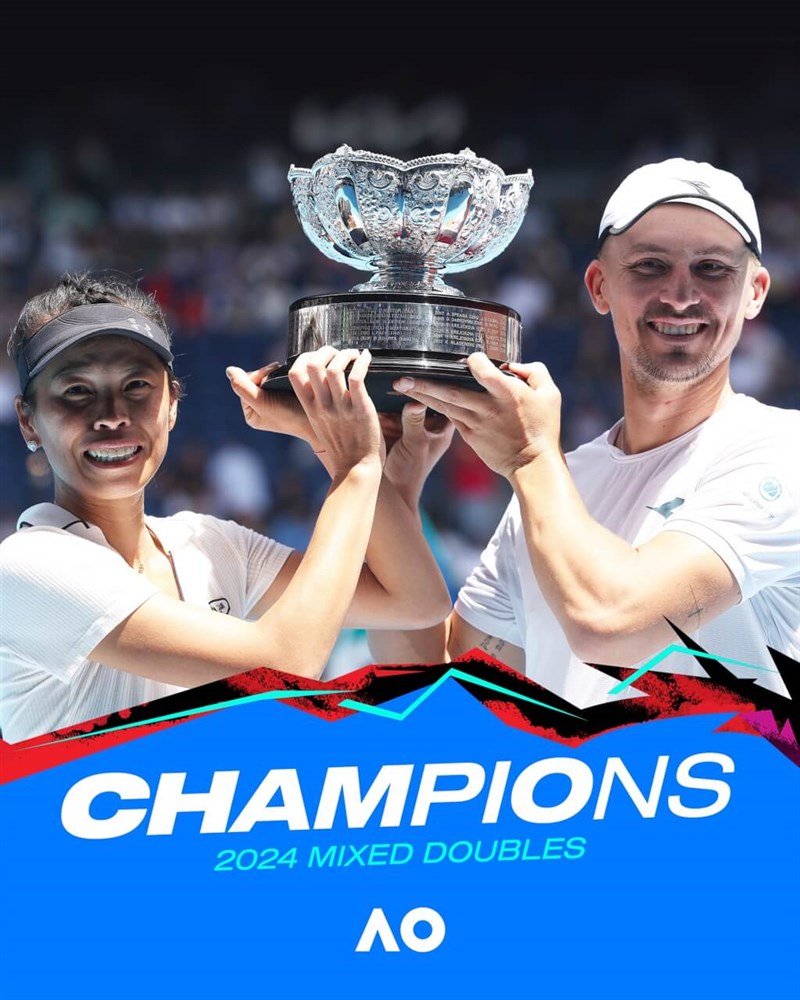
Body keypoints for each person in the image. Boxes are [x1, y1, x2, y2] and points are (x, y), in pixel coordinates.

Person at [370, 158, 799, 708]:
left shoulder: (785, 453)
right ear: (599, 286)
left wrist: (528, 459)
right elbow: (438, 687)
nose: (681, 294)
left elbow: (613, 626)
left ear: (755, 292)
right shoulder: (558, 485)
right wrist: (382, 482)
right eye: (649, 266)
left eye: (713, 269)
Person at [0, 273, 451, 743]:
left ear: (172, 404)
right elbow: (286, 666)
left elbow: (415, 601)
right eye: (77, 391)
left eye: (137, 385)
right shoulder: (28, 564)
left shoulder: (208, 543)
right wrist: (354, 464)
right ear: (29, 422)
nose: (112, 414)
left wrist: (372, 468)